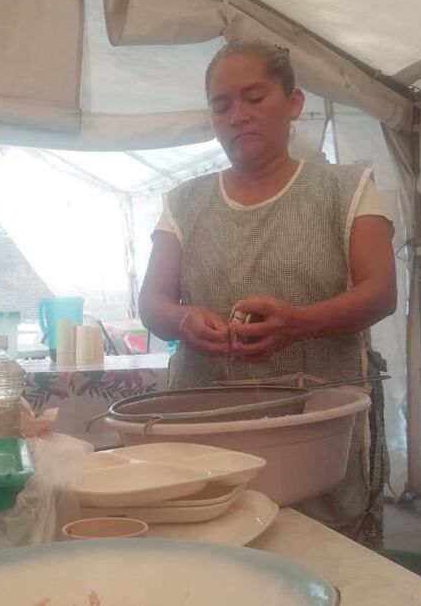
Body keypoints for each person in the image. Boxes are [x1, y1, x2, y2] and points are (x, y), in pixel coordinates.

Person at [139, 38, 397, 546]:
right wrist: (184, 319)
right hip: (209, 432)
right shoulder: (184, 203)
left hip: (317, 436)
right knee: (220, 561)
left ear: (294, 103)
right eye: (222, 104)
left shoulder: (346, 189)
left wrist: (301, 322)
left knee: (325, 560)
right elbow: (152, 302)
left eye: (254, 98)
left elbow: (382, 291)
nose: (238, 115)